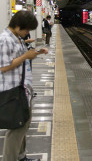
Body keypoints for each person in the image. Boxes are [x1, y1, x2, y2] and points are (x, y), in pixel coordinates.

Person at [0, 11, 48, 161]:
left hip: (22, 88)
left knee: (23, 124)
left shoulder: (16, 38)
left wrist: (36, 53)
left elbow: (19, 56)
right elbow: (4, 66)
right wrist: (26, 56)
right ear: (18, 25)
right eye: (26, 30)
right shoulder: (4, 39)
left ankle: (21, 157)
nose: (27, 33)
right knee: (17, 128)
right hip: (12, 90)